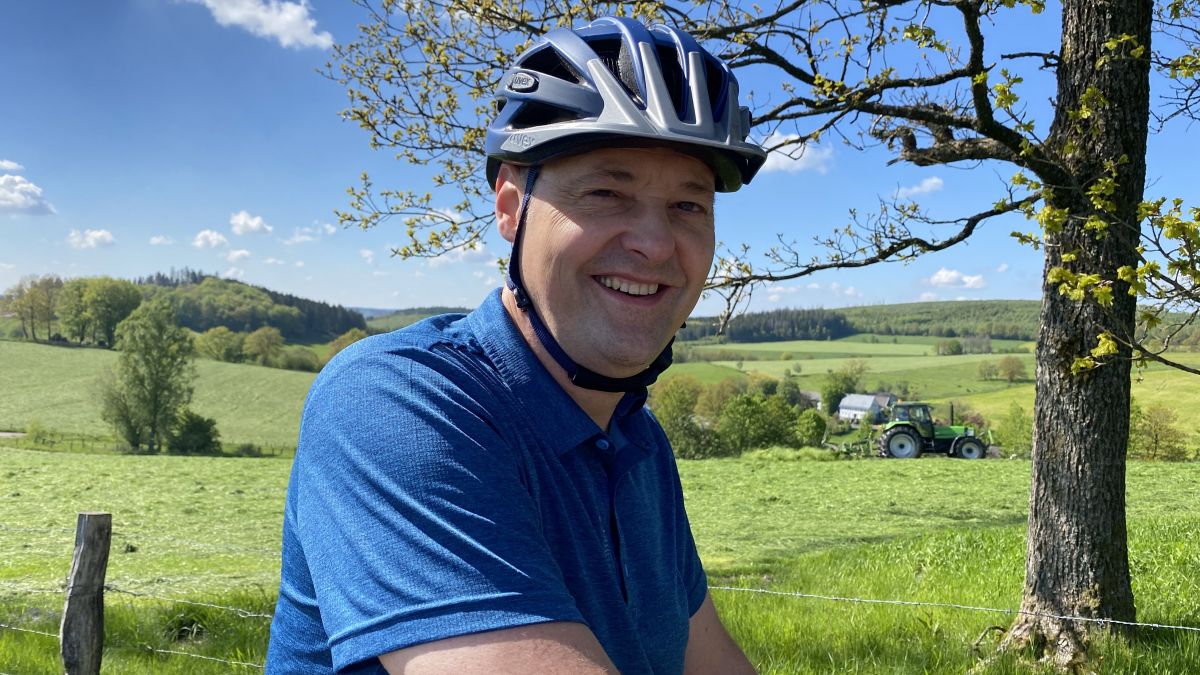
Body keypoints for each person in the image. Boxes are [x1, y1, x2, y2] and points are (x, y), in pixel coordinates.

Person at [267, 16, 766, 674]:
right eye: (606, 192)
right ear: (510, 205)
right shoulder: (391, 405)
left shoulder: (640, 443)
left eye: (688, 206)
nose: (654, 243)